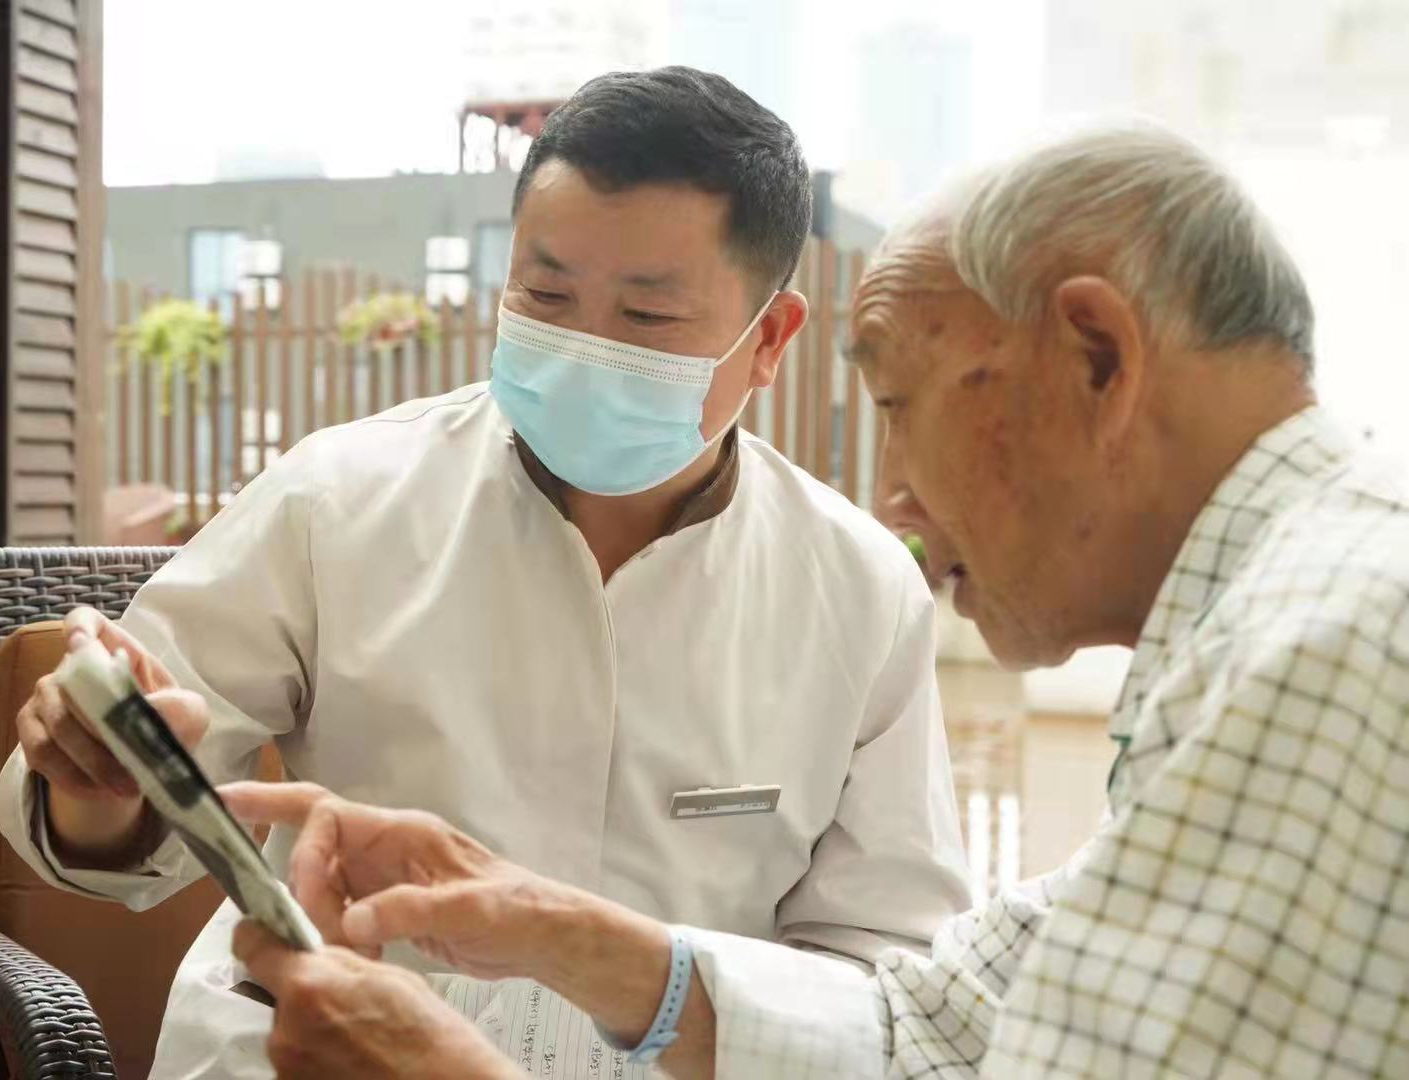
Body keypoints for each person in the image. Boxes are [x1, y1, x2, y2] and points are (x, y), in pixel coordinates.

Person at [226, 121, 1409, 1078]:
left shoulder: (1326, 652)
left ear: (1095, 358)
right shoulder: (1293, 621)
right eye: (548, 295)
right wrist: (554, 931)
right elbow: (937, 1032)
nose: (895, 495)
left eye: (897, 404)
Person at [0, 66, 970, 1078]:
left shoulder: (856, 590)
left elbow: (882, 962)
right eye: (545, 297)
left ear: (767, 339)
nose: (582, 348)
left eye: (646, 319)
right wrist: (101, 786)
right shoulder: (337, 501)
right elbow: (120, 810)